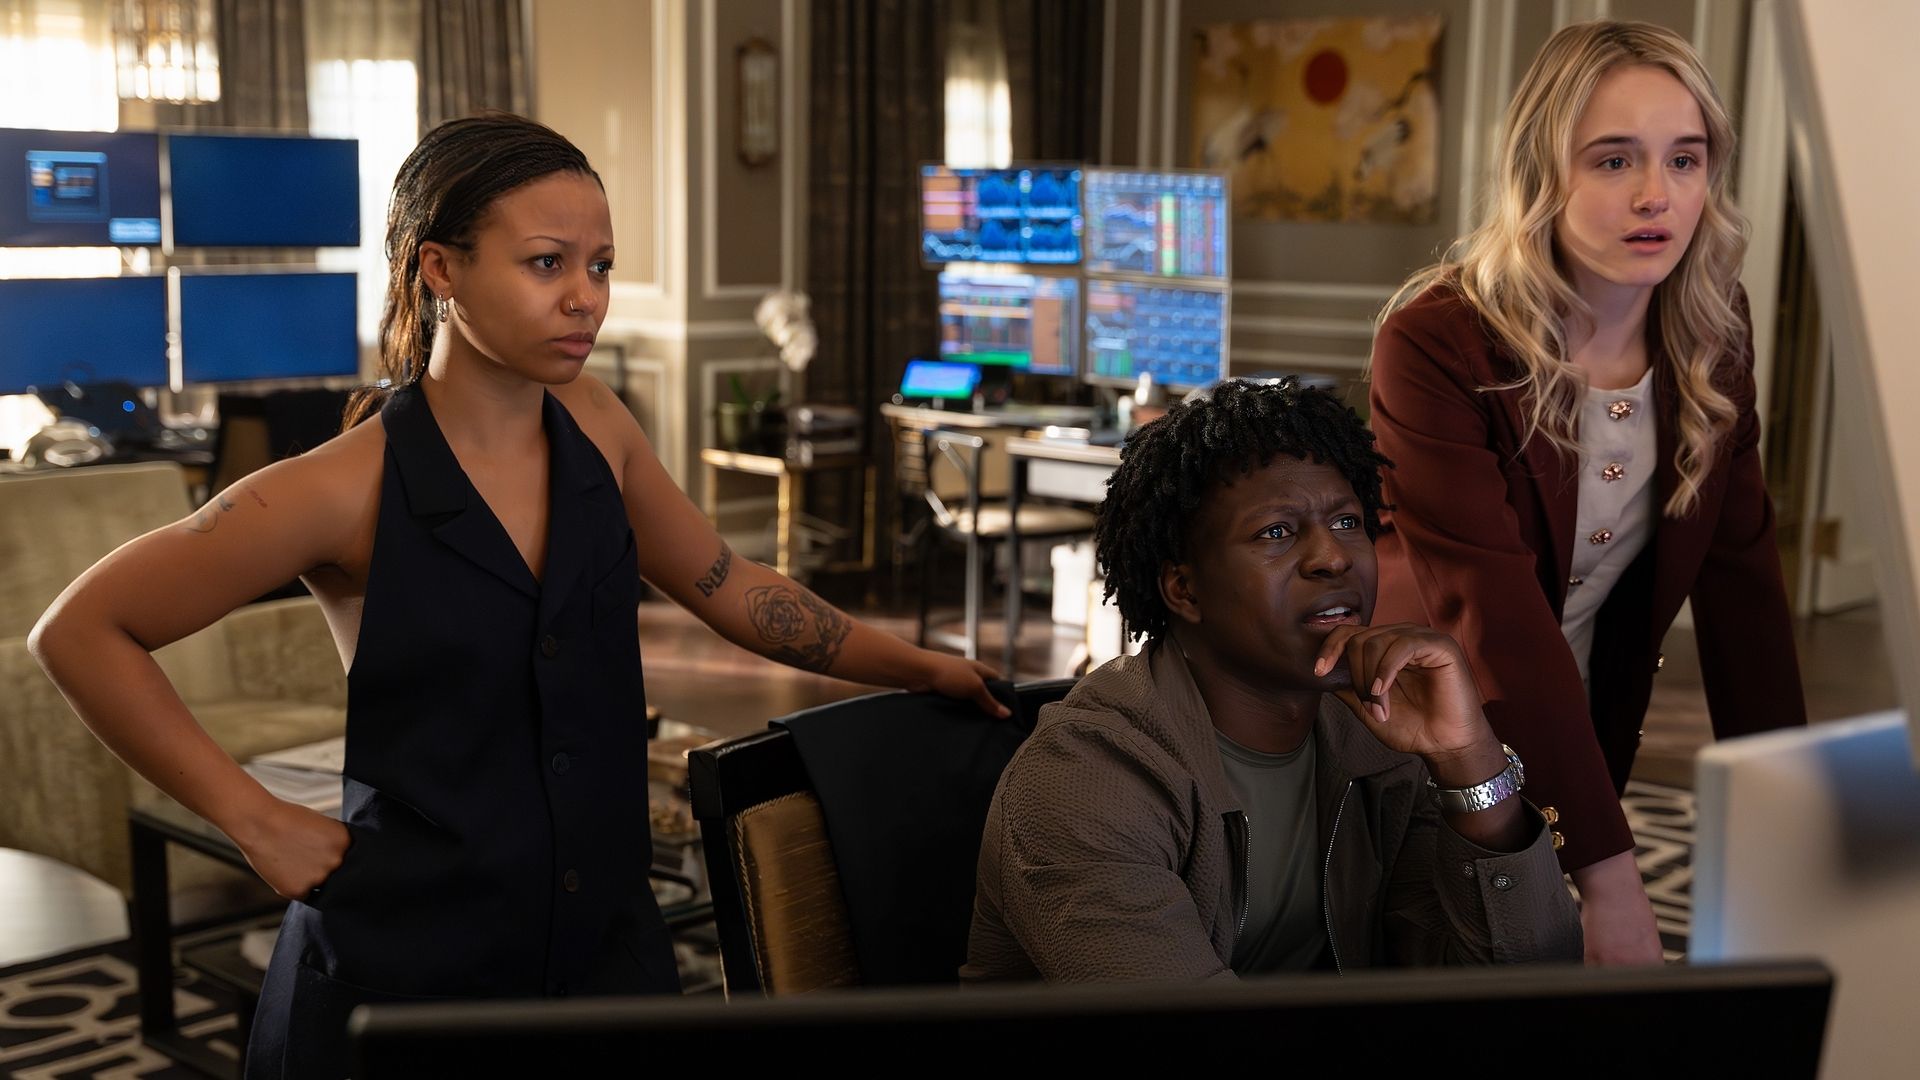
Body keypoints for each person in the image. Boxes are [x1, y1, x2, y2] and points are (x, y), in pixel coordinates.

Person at [28, 113, 1003, 1078]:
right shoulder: (339, 485)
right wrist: (256, 818)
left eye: (603, 267)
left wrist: (921, 667)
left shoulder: (601, 425)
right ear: (439, 268)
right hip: (406, 972)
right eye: (547, 264)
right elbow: (82, 631)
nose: (586, 299)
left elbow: (731, 585)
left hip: (604, 944)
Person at [1367, 20, 1805, 966]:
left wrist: (1797, 828)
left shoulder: (1714, 335)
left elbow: (1744, 589)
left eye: (1684, 160)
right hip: (1412, 734)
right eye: (1613, 160)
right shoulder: (1437, 340)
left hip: (1581, 727)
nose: (1657, 196)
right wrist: (1610, 875)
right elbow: (1492, 609)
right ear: (1542, 171)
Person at [963, 380, 1582, 982]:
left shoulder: (1380, 735)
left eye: (1347, 522)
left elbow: (1524, 981)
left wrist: (1469, 762)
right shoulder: (1084, 780)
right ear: (1185, 589)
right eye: (1276, 533)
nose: (1333, 557)